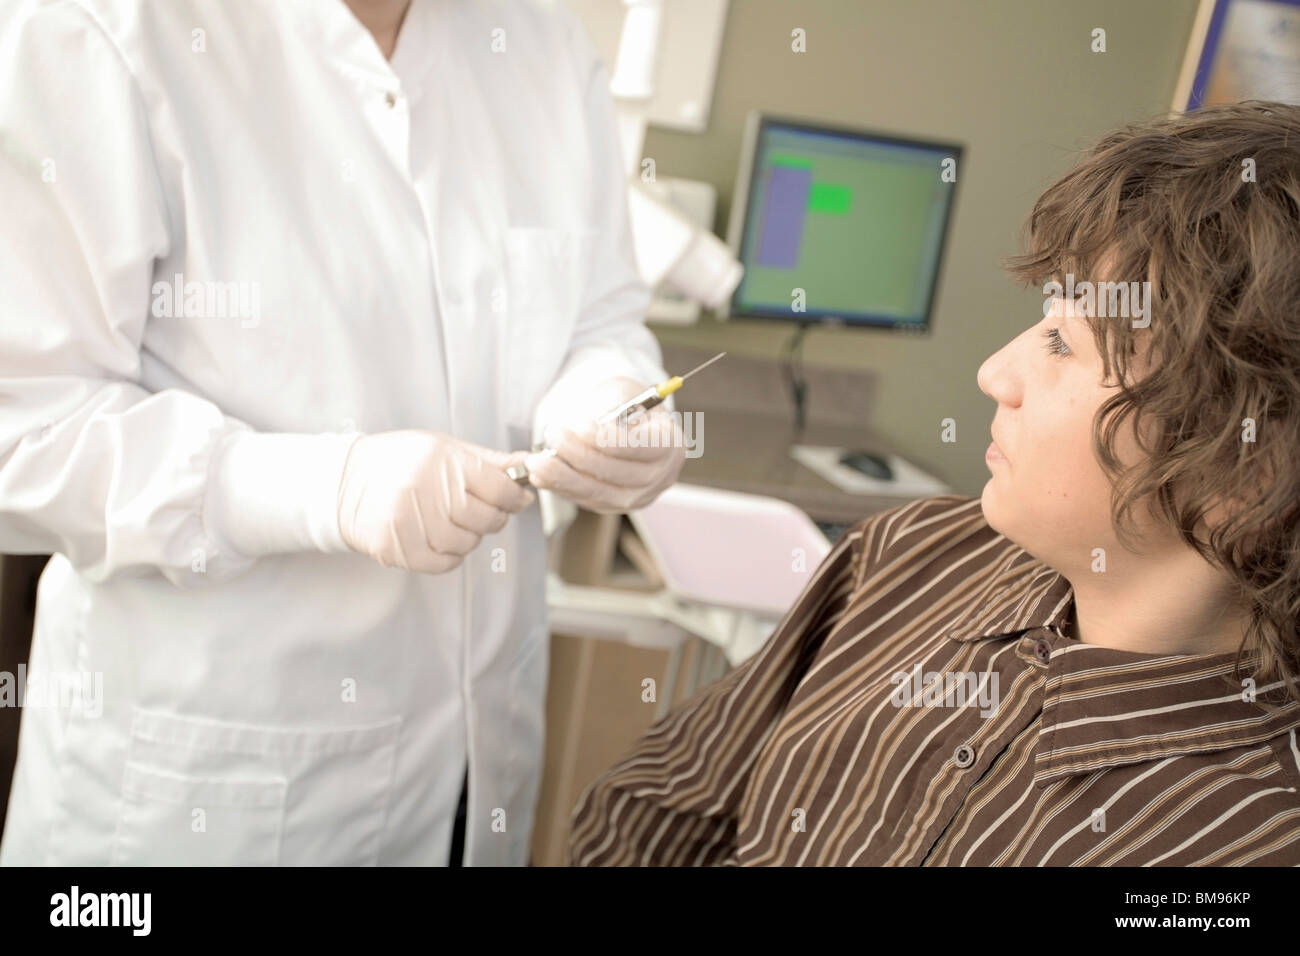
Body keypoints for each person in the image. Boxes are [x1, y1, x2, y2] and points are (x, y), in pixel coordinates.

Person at [0, 0, 683, 866]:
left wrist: (606, 393)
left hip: (476, 778)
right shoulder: (96, 28)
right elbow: (24, 425)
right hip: (209, 795)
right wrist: (326, 489)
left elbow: (599, 312)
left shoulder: (543, 45)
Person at [568, 101, 1300, 866]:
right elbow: (653, 806)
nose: (994, 374)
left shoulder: (1244, 852)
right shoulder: (913, 553)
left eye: (1063, 342)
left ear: (1243, 473)